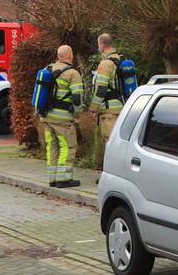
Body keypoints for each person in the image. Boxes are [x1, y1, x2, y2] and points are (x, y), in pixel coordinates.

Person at [43, 45, 83, 188]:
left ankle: (52, 179)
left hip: (47, 117)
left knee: (52, 147)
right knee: (68, 146)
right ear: (70, 56)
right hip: (63, 119)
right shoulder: (72, 73)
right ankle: (63, 179)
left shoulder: (49, 70)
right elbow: (77, 98)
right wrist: (78, 114)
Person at [89, 33, 124, 162]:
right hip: (121, 107)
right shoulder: (120, 60)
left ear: (102, 45)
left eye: (98, 44)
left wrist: (93, 108)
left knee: (110, 143)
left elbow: (101, 89)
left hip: (110, 111)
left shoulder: (105, 64)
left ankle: (110, 176)